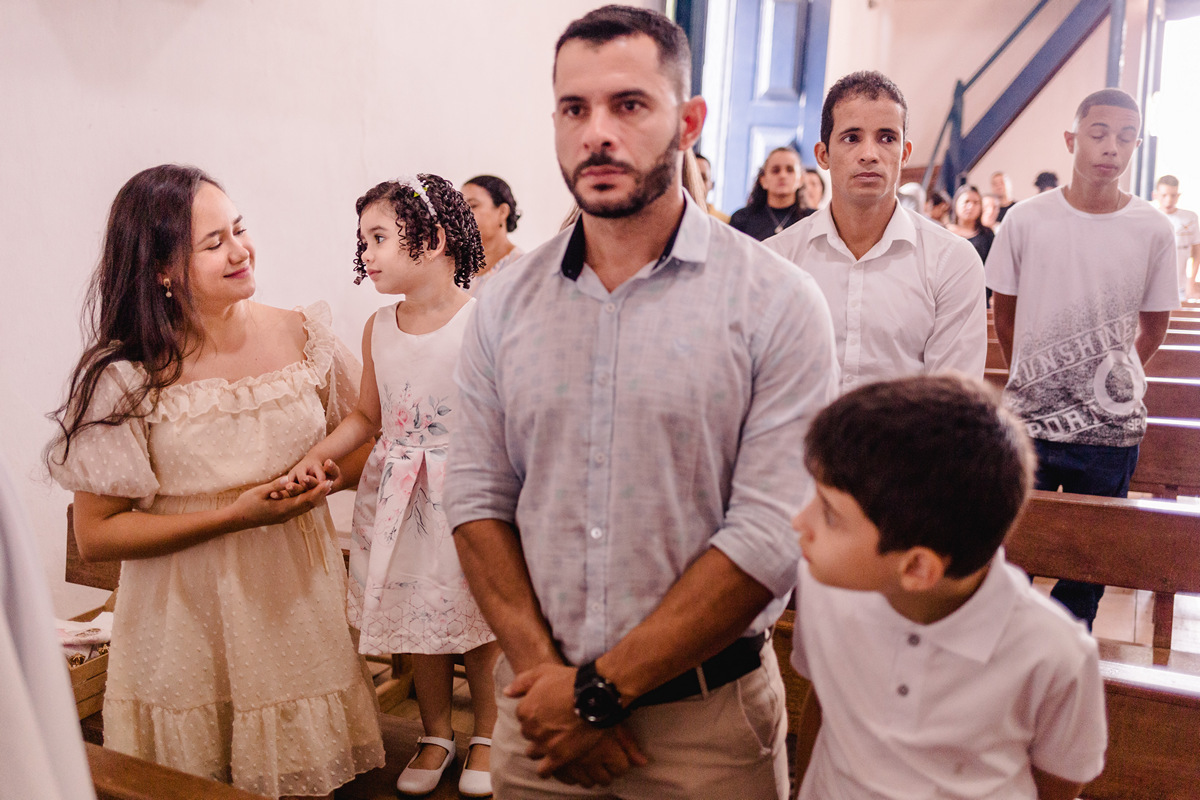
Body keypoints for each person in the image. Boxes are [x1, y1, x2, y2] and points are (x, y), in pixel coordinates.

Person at [446, 6, 839, 799]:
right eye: (574, 109)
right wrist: (547, 683)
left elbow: (768, 534)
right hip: (539, 719)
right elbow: (477, 497)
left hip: (705, 731)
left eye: (629, 105)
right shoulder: (503, 303)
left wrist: (599, 693)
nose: (597, 133)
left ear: (687, 120)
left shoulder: (777, 301)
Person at [45, 165, 385, 799]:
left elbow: (364, 438)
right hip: (183, 618)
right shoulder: (122, 374)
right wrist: (236, 516)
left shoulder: (303, 335)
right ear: (160, 271)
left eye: (240, 228)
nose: (240, 251)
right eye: (213, 243)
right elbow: (97, 535)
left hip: (295, 606)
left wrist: (318, 479)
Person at [283, 175, 500, 798]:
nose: (367, 254)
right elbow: (366, 417)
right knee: (415, 613)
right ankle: (436, 734)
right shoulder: (379, 326)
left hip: (464, 491)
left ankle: (485, 732)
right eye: (363, 240)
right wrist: (317, 456)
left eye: (378, 237)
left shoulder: (482, 322)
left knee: (476, 620)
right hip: (399, 495)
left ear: (430, 240)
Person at [791, 375, 1107, 800]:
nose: (800, 522)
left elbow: (1062, 777)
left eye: (829, 514)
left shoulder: (1055, 653)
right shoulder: (824, 586)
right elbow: (826, 704)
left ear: (918, 567)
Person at [986, 88, 1177, 628]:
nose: (1110, 147)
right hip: (1030, 422)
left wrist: (1114, 380)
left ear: (1136, 145)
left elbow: (1154, 326)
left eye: (1125, 136)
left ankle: (1063, 681)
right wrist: (1036, 374)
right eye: (1098, 133)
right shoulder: (1026, 219)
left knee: (1085, 578)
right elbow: (1006, 314)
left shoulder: (1151, 228)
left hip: (1110, 431)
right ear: (1072, 139)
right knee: (1012, 567)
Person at [765, 70, 986, 390]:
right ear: (823, 155)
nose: (869, 154)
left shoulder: (951, 261)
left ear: (904, 154)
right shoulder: (777, 258)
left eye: (887, 138)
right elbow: (767, 385)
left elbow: (951, 405)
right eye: (852, 137)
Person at [729, 146, 815, 240]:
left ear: (801, 180)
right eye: (775, 171)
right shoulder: (742, 219)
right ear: (763, 180)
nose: (783, 175)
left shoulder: (813, 219)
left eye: (790, 170)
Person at [463, 174, 524, 297]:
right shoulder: (456, 267)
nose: (462, 213)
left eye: (473, 205)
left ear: (502, 212)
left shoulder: (522, 269)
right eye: (460, 206)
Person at [1153, 175, 1200, 300]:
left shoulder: (1190, 218)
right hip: (1154, 286)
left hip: (1181, 286)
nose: (1169, 200)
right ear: (1155, 195)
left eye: (1173, 195)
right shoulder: (1149, 218)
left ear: (1178, 196)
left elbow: (1197, 252)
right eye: (1164, 195)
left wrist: (1191, 282)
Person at [946, 183, 995, 265]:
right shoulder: (942, 231)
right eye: (966, 201)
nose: (970, 206)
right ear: (956, 203)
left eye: (976, 203)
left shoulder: (987, 235)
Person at [694, 152, 731, 222]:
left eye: (703, 178)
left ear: (711, 184)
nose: (697, 184)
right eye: (692, 178)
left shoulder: (725, 222)